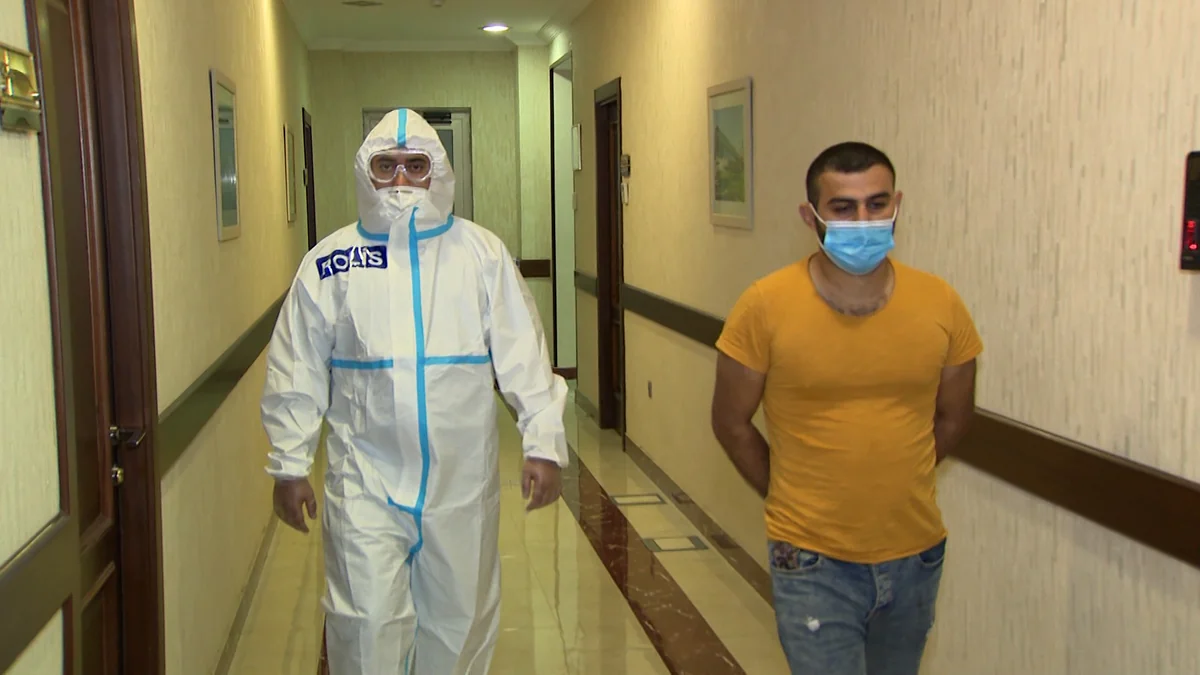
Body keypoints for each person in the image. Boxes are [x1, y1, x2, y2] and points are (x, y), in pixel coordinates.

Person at [260, 108, 569, 674]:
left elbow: (524, 354)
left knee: (460, 621)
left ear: (438, 172)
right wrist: (289, 462)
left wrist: (543, 442)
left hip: (460, 482)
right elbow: (295, 367)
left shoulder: (481, 255)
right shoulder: (329, 263)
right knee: (365, 622)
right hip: (364, 481)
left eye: (415, 165)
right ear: (366, 172)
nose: (400, 179)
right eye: (386, 165)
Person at [710, 142, 982, 675]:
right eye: (843, 208)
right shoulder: (765, 305)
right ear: (809, 215)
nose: (863, 221)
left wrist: (899, 476)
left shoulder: (941, 303)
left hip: (915, 552)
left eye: (877, 204)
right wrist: (788, 493)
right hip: (811, 557)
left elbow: (955, 416)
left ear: (897, 204)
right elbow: (730, 422)